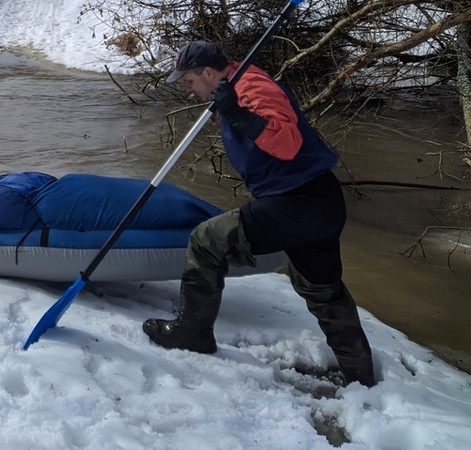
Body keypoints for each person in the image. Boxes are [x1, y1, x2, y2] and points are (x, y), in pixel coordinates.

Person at [143, 40, 376, 387]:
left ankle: (191, 333)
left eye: (189, 81)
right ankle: (360, 375)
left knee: (207, 240)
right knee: (320, 287)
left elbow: (287, 142)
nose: (189, 90)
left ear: (208, 72)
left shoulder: (251, 87)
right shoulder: (234, 82)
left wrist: (236, 112)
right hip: (316, 201)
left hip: (298, 201)